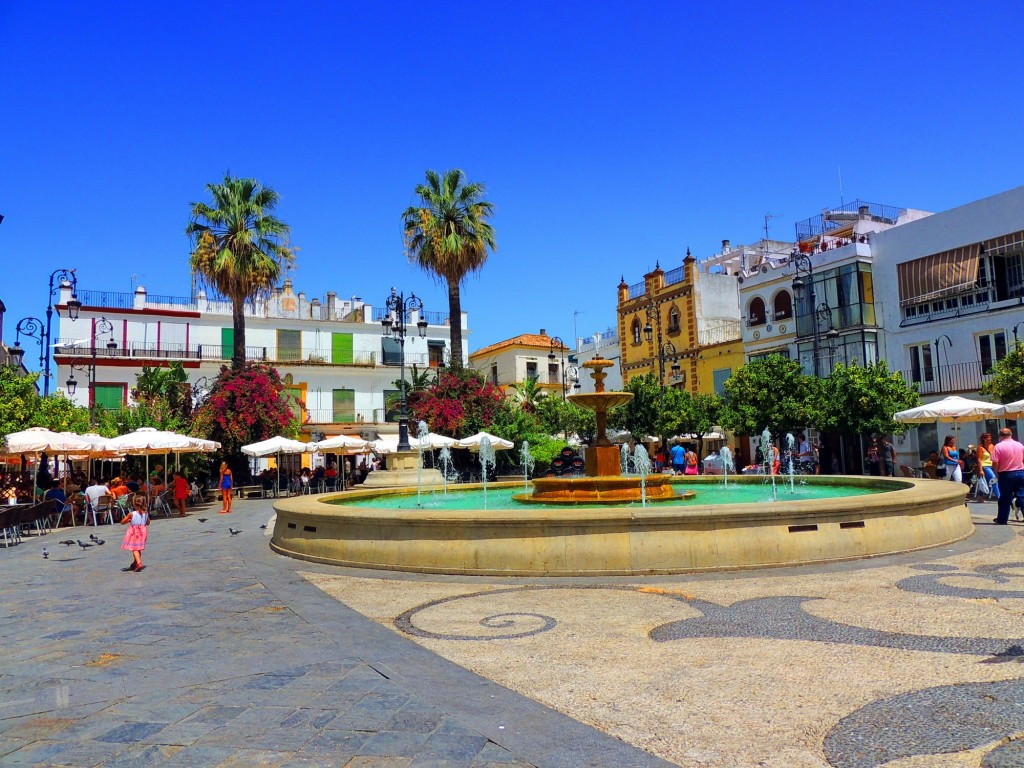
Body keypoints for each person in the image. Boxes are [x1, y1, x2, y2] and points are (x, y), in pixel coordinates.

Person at [991, 427, 1024, 525]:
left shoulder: (998, 446)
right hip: (1021, 472)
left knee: (1005, 497)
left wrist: (997, 473)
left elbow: (995, 462)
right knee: (1022, 496)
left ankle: (1002, 519)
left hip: (1006, 474)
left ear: (1000, 436)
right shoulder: (1019, 445)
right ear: (1011, 434)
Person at [120, 493, 150, 572]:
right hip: (143, 532)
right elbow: (148, 523)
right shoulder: (146, 513)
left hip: (134, 533)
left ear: (134, 503)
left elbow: (122, 522)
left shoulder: (131, 514)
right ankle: (135, 562)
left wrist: (128, 520)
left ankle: (139, 563)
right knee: (138, 548)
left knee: (134, 549)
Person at [977, 432, 1000, 501]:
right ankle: (999, 496)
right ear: (984, 439)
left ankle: (980, 495)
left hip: (992, 465)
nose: (990, 439)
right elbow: (979, 459)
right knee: (994, 480)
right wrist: (980, 470)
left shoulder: (992, 446)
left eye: (990, 437)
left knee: (987, 481)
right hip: (985, 466)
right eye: (988, 437)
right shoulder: (980, 448)